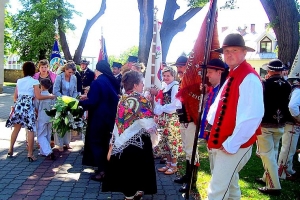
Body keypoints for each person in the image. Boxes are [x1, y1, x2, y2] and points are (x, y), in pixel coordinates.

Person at [206, 33, 264, 199]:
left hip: (235, 142)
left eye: (235, 50)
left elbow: (253, 116)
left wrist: (233, 143)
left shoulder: (249, 77)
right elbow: (219, 105)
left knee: (217, 187)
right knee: (230, 184)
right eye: (226, 51)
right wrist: (211, 127)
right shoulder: (233, 74)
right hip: (225, 138)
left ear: (244, 52)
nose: (230, 54)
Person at [102, 70, 157, 200]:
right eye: (141, 83)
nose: (143, 85)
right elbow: (147, 122)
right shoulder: (139, 98)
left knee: (127, 169)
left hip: (124, 140)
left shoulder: (123, 97)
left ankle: (132, 192)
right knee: (136, 168)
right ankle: (132, 194)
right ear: (135, 85)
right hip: (138, 140)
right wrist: (154, 129)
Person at [6, 61, 55, 161]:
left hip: (19, 106)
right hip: (28, 107)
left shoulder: (19, 81)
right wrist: (51, 96)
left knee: (16, 129)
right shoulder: (35, 82)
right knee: (30, 130)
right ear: (33, 70)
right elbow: (39, 96)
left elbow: (15, 97)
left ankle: (10, 149)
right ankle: (30, 154)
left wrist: (21, 101)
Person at [79, 60, 119, 182]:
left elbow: (93, 101)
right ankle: (105, 168)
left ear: (98, 70)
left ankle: (102, 172)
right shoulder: (111, 81)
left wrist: (79, 103)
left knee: (96, 143)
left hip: (98, 119)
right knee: (104, 143)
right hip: (109, 118)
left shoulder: (97, 82)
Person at [256, 59, 291, 196]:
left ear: (269, 70)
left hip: (265, 124)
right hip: (280, 124)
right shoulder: (288, 85)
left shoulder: (264, 84)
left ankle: (274, 186)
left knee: (267, 155)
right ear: (281, 70)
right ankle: (266, 177)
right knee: (273, 152)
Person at [170, 55, 200, 192]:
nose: (179, 69)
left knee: (192, 151)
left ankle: (192, 182)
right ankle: (187, 176)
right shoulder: (182, 81)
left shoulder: (192, 82)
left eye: (181, 66)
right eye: (178, 67)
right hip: (184, 120)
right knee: (187, 150)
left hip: (191, 120)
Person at [154, 66, 183, 175]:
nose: (166, 78)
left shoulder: (175, 86)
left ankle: (174, 165)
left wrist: (162, 108)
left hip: (170, 117)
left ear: (173, 76)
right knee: (164, 140)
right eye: (164, 75)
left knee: (172, 140)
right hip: (163, 117)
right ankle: (168, 163)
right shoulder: (165, 86)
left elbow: (175, 104)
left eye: (168, 76)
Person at [277, 77, 300, 181]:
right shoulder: (298, 89)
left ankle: (288, 170)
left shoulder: (295, 88)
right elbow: (292, 106)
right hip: (292, 123)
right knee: (288, 148)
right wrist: (298, 118)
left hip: (291, 122)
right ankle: (282, 172)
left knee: (290, 147)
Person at [53, 62, 78, 151]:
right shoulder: (59, 77)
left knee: (68, 122)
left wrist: (72, 100)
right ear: (65, 70)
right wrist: (63, 99)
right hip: (60, 102)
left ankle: (67, 142)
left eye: (72, 73)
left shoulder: (74, 78)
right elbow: (55, 90)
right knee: (59, 123)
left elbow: (75, 90)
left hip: (70, 103)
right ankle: (59, 144)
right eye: (69, 72)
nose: (70, 74)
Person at [35, 78, 56, 160]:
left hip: (42, 117)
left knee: (40, 135)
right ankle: (43, 151)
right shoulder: (52, 96)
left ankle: (48, 151)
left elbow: (36, 107)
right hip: (50, 117)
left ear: (42, 86)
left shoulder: (39, 96)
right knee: (48, 134)